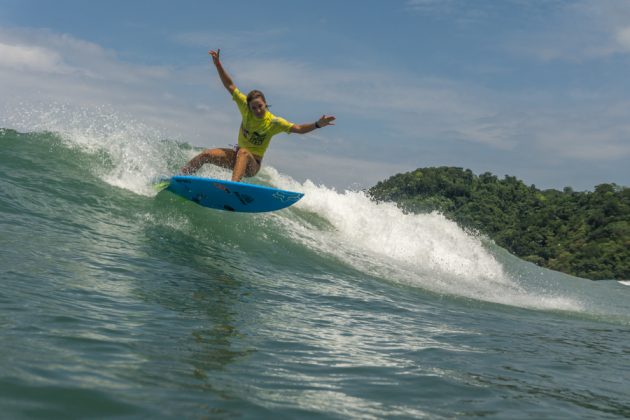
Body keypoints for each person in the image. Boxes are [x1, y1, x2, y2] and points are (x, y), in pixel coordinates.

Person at [181, 49, 336, 182]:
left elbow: (299, 128)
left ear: (265, 103)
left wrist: (318, 124)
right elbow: (229, 85)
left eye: (260, 106)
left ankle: (233, 187)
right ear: (249, 106)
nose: (257, 110)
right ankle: (181, 177)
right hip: (236, 158)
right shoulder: (245, 108)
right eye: (254, 107)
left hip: (252, 164)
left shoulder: (274, 122)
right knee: (206, 154)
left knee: (243, 152)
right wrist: (218, 65)